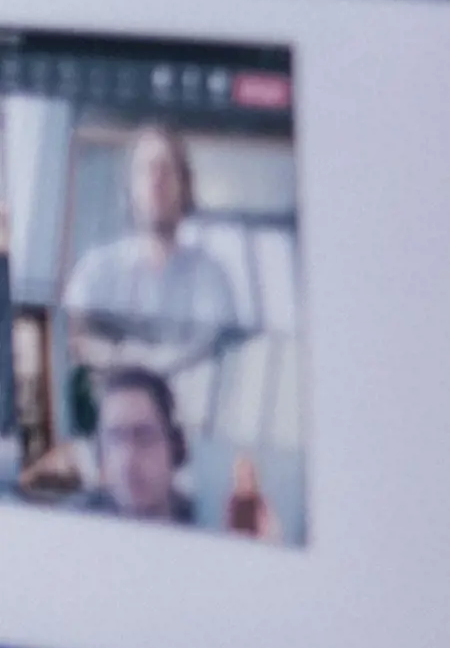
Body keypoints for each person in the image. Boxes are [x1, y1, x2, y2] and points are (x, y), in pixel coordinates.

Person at [19, 364, 281, 540]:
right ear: (101, 452)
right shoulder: (72, 523)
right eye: (116, 438)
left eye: (143, 435)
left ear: (176, 447)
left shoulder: (210, 522)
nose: (128, 459)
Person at [63, 124, 241, 378]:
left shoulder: (210, 276)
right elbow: (75, 338)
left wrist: (122, 358)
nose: (155, 181)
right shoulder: (95, 269)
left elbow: (211, 353)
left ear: (185, 185)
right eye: (145, 170)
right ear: (131, 186)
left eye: (165, 170)